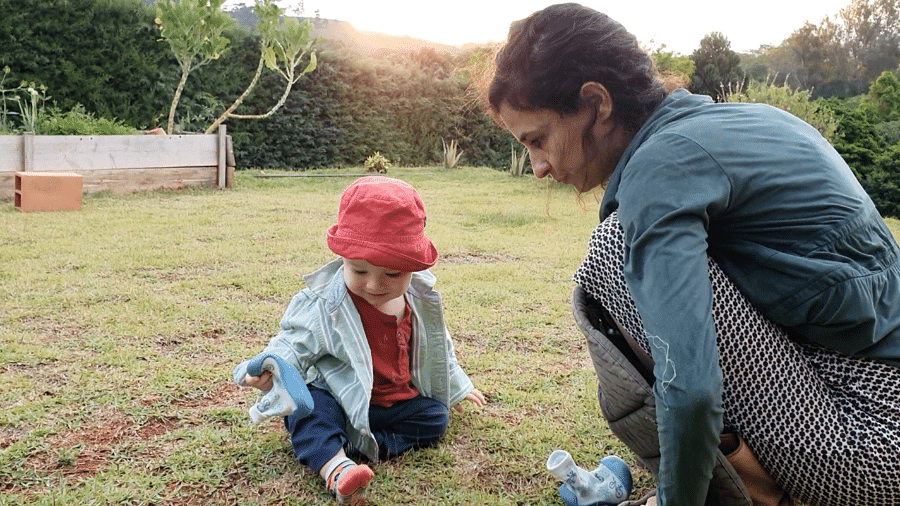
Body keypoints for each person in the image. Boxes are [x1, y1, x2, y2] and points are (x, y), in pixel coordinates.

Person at [487, 3, 900, 506]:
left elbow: (692, 388)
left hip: (875, 445)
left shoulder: (660, 168)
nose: (538, 167)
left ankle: (756, 495)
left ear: (596, 103)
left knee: (614, 251)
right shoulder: (750, 121)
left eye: (538, 140)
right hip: (861, 398)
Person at [232, 176, 486, 505]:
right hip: (339, 398)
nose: (374, 285)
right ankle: (337, 469)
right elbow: (292, 342)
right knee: (309, 407)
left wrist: (460, 385)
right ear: (343, 260)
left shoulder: (419, 299)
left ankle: (360, 445)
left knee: (435, 416)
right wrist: (269, 367)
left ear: (411, 267)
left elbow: (437, 350)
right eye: (360, 271)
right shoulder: (327, 303)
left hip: (387, 405)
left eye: (392, 274)